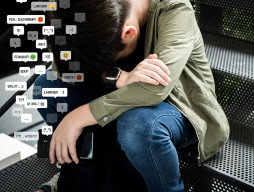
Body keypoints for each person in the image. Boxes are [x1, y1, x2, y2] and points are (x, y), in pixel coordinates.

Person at [34, 0, 230, 191]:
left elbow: (154, 90)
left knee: (138, 125)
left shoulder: (175, 10)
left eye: (106, 62)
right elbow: (63, 68)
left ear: (128, 33)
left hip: (178, 108)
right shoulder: (97, 9)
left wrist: (76, 117)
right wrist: (117, 77)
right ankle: (80, 176)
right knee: (46, 86)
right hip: (120, 97)